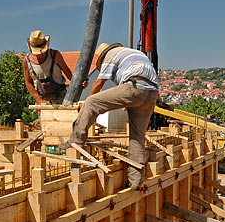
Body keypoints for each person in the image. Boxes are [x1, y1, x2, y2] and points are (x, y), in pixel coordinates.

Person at [68, 42, 159, 189]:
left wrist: (84, 107)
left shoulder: (110, 56)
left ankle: (75, 141)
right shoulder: (133, 55)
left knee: (91, 102)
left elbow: (98, 84)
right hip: (152, 93)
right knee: (137, 138)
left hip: (135, 87)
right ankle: (135, 181)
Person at [23, 30, 79, 105]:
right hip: (43, 100)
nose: (42, 53)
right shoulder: (27, 61)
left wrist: (79, 83)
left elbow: (69, 74)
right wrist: (39, 101)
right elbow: (28, 82)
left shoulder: (55, 55)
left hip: (61, 97)